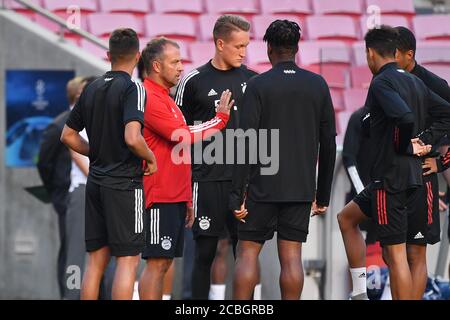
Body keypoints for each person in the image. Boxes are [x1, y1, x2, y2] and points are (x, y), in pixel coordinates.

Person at [337, 26, 450, 300]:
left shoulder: (398, 82)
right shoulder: (412, 82)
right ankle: (360, 292)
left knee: (406, 252)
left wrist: (436, 159)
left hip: (399, 177)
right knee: (355, 224)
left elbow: (407, 119)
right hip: (400, 176)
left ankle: (363, 292)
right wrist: (416, 142)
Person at [229, 20, 337, 300]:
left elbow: (245, 142)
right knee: (291, 257)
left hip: (260, 186)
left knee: (248, 252)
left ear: (269, 48)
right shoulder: (318, 84)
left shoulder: (257, 85)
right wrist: (322, 195)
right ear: (296, 48)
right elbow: (328, 143)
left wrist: (237, 193)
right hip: (300, 187)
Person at [61, 28, 157, 300]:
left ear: (108, 55)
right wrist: (151, 158)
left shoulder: (90, 88)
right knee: (128, 261)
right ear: (138, 57)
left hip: (96, 183)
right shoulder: (133, 88)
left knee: (95, 262)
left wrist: (96, 151)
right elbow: (132, 137)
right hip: (124, 183)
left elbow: (67, 135)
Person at [138, 37, 235, 300]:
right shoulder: (150, 97)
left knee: (164, 262)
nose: (181, 67)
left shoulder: (166, 98)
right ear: (157, 66)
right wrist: (219, 121)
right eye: (175, 61)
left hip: (174, 194)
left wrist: (187, 197)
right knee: (157, 263)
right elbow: (180, 134)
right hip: (159, 194)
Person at [175, 14, 260, 300]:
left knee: (245, 252)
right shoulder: (193, 81)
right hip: (206, 181)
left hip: (244, 185)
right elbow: (177, 133)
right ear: (220, 43)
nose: (243, 52)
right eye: (238, 46)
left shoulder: (254, 81)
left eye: (246, 46)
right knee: (205, 252)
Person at [37, 76, 84, 298]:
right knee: (70, 250)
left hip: (85, 196)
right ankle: (69, 293)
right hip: (68, 196)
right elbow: (44, 163)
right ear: (77, 96)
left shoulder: (91, 121)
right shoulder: (59, 125)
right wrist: (57, 193)